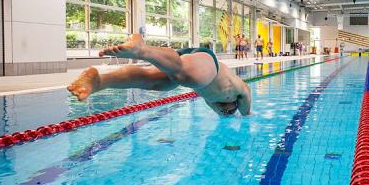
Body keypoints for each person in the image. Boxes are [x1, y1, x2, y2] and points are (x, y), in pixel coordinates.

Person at [68, 34, 251, 116]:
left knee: (154, 82)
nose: (224, 112)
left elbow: (221, 113)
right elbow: (247, 96)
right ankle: (142, 49)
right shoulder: (238, 89)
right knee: (190, 77)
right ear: (235, 103)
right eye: (228, 111)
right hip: (207, 62)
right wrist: (247, 114)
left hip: (182, 62)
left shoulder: (214, 102)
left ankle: (99, 80)